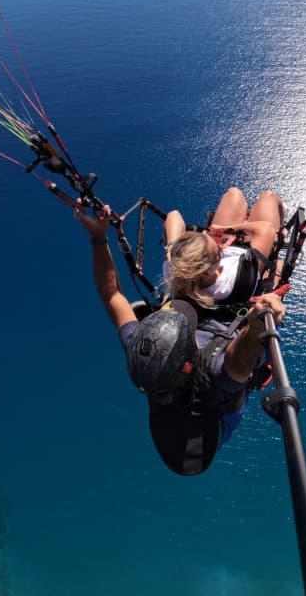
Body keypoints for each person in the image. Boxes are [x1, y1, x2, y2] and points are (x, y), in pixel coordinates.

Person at [76, 203, 286, 476]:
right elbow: (241, 358)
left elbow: (112, 295)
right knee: (273, 273)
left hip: (172, 424)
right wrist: (257, 324)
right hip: (214, 423)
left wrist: (98, 238)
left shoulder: (143, 345)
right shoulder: (215, 370)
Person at [163, 187, 284, 310]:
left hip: (229, 254)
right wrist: (232, 227)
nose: (222, 246)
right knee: (269, 197)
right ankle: (281, 214)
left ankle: (216, 243)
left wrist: (172, 247)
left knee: (234, 193)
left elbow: (174, 215)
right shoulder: (233, 280)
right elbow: (266, 229)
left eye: (206, 235)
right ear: (215, 267)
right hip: (248, 255)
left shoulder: (179, 269)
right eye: (219, 250)